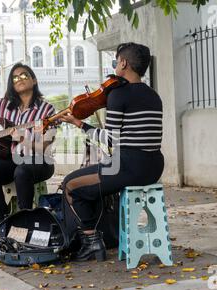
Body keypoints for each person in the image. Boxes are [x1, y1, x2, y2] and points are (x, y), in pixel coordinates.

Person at [59, 43, 164, 262]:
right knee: (93, 182)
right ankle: (100, 237)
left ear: (123, 63)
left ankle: (91, 242)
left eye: (117, 61)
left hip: (128, 167)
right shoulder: (154, 95)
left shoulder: (118, 95)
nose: (115, 65)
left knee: (70, 184)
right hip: (153, 167)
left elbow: (109, 140)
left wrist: (80, 124)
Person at [0, 63, 56, 223]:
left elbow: (44, 147)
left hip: (39, 160)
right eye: (14, 78)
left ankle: (25, 222)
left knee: (22, 172)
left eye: (24, 75)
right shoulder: (3, 105)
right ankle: (3, 222)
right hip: (10, 159)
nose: (19, 79)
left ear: (34, 80)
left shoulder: (46, 111)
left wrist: (23, 139)